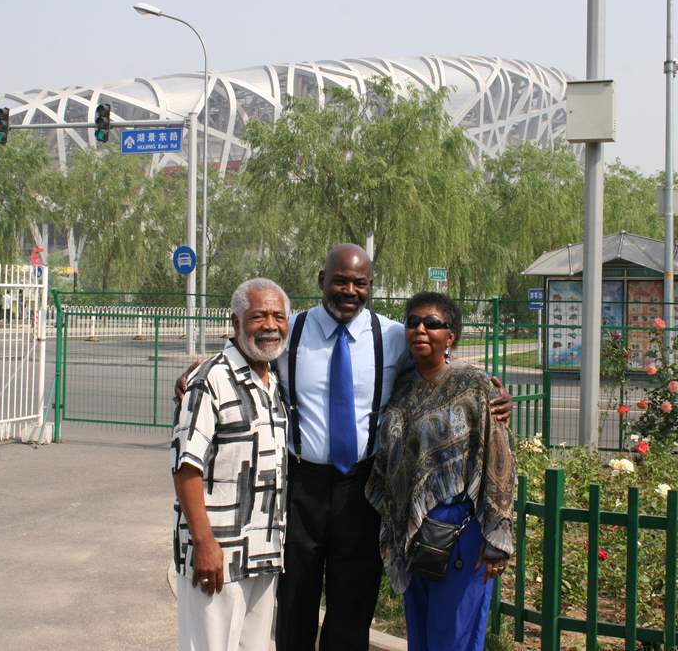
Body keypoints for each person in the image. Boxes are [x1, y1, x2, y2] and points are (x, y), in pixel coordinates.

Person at [176, 244, 513, 650]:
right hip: (300, 487)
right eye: (340, 281)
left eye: (360, 283)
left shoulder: (391, 336)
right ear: (322, 281)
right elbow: (247, 351)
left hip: (361, 489)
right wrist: (195, 371)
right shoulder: (290, 331)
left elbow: (439, 361)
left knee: (352, 608)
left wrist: (490, 392)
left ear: (371, 286)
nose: (349, 291)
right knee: (294, 604)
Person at [366, 291, 516, 651]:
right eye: (413, 322)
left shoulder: (474, 385)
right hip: (412, 529)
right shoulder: (401, 387)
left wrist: (497, 536)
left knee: (455, 634)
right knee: (420, 629)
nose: (421, 329)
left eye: (432, 323)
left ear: (451, 336)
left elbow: (499, 458)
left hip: (460, 528)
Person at [170, 278, 291, 651]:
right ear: (236, 324)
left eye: (278, 316)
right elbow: (186, 467)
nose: (270, 325)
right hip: (218, 555)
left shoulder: (274, 381)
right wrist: (205, 543)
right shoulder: (210, 380)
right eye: (258, 316)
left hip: (264, 550)